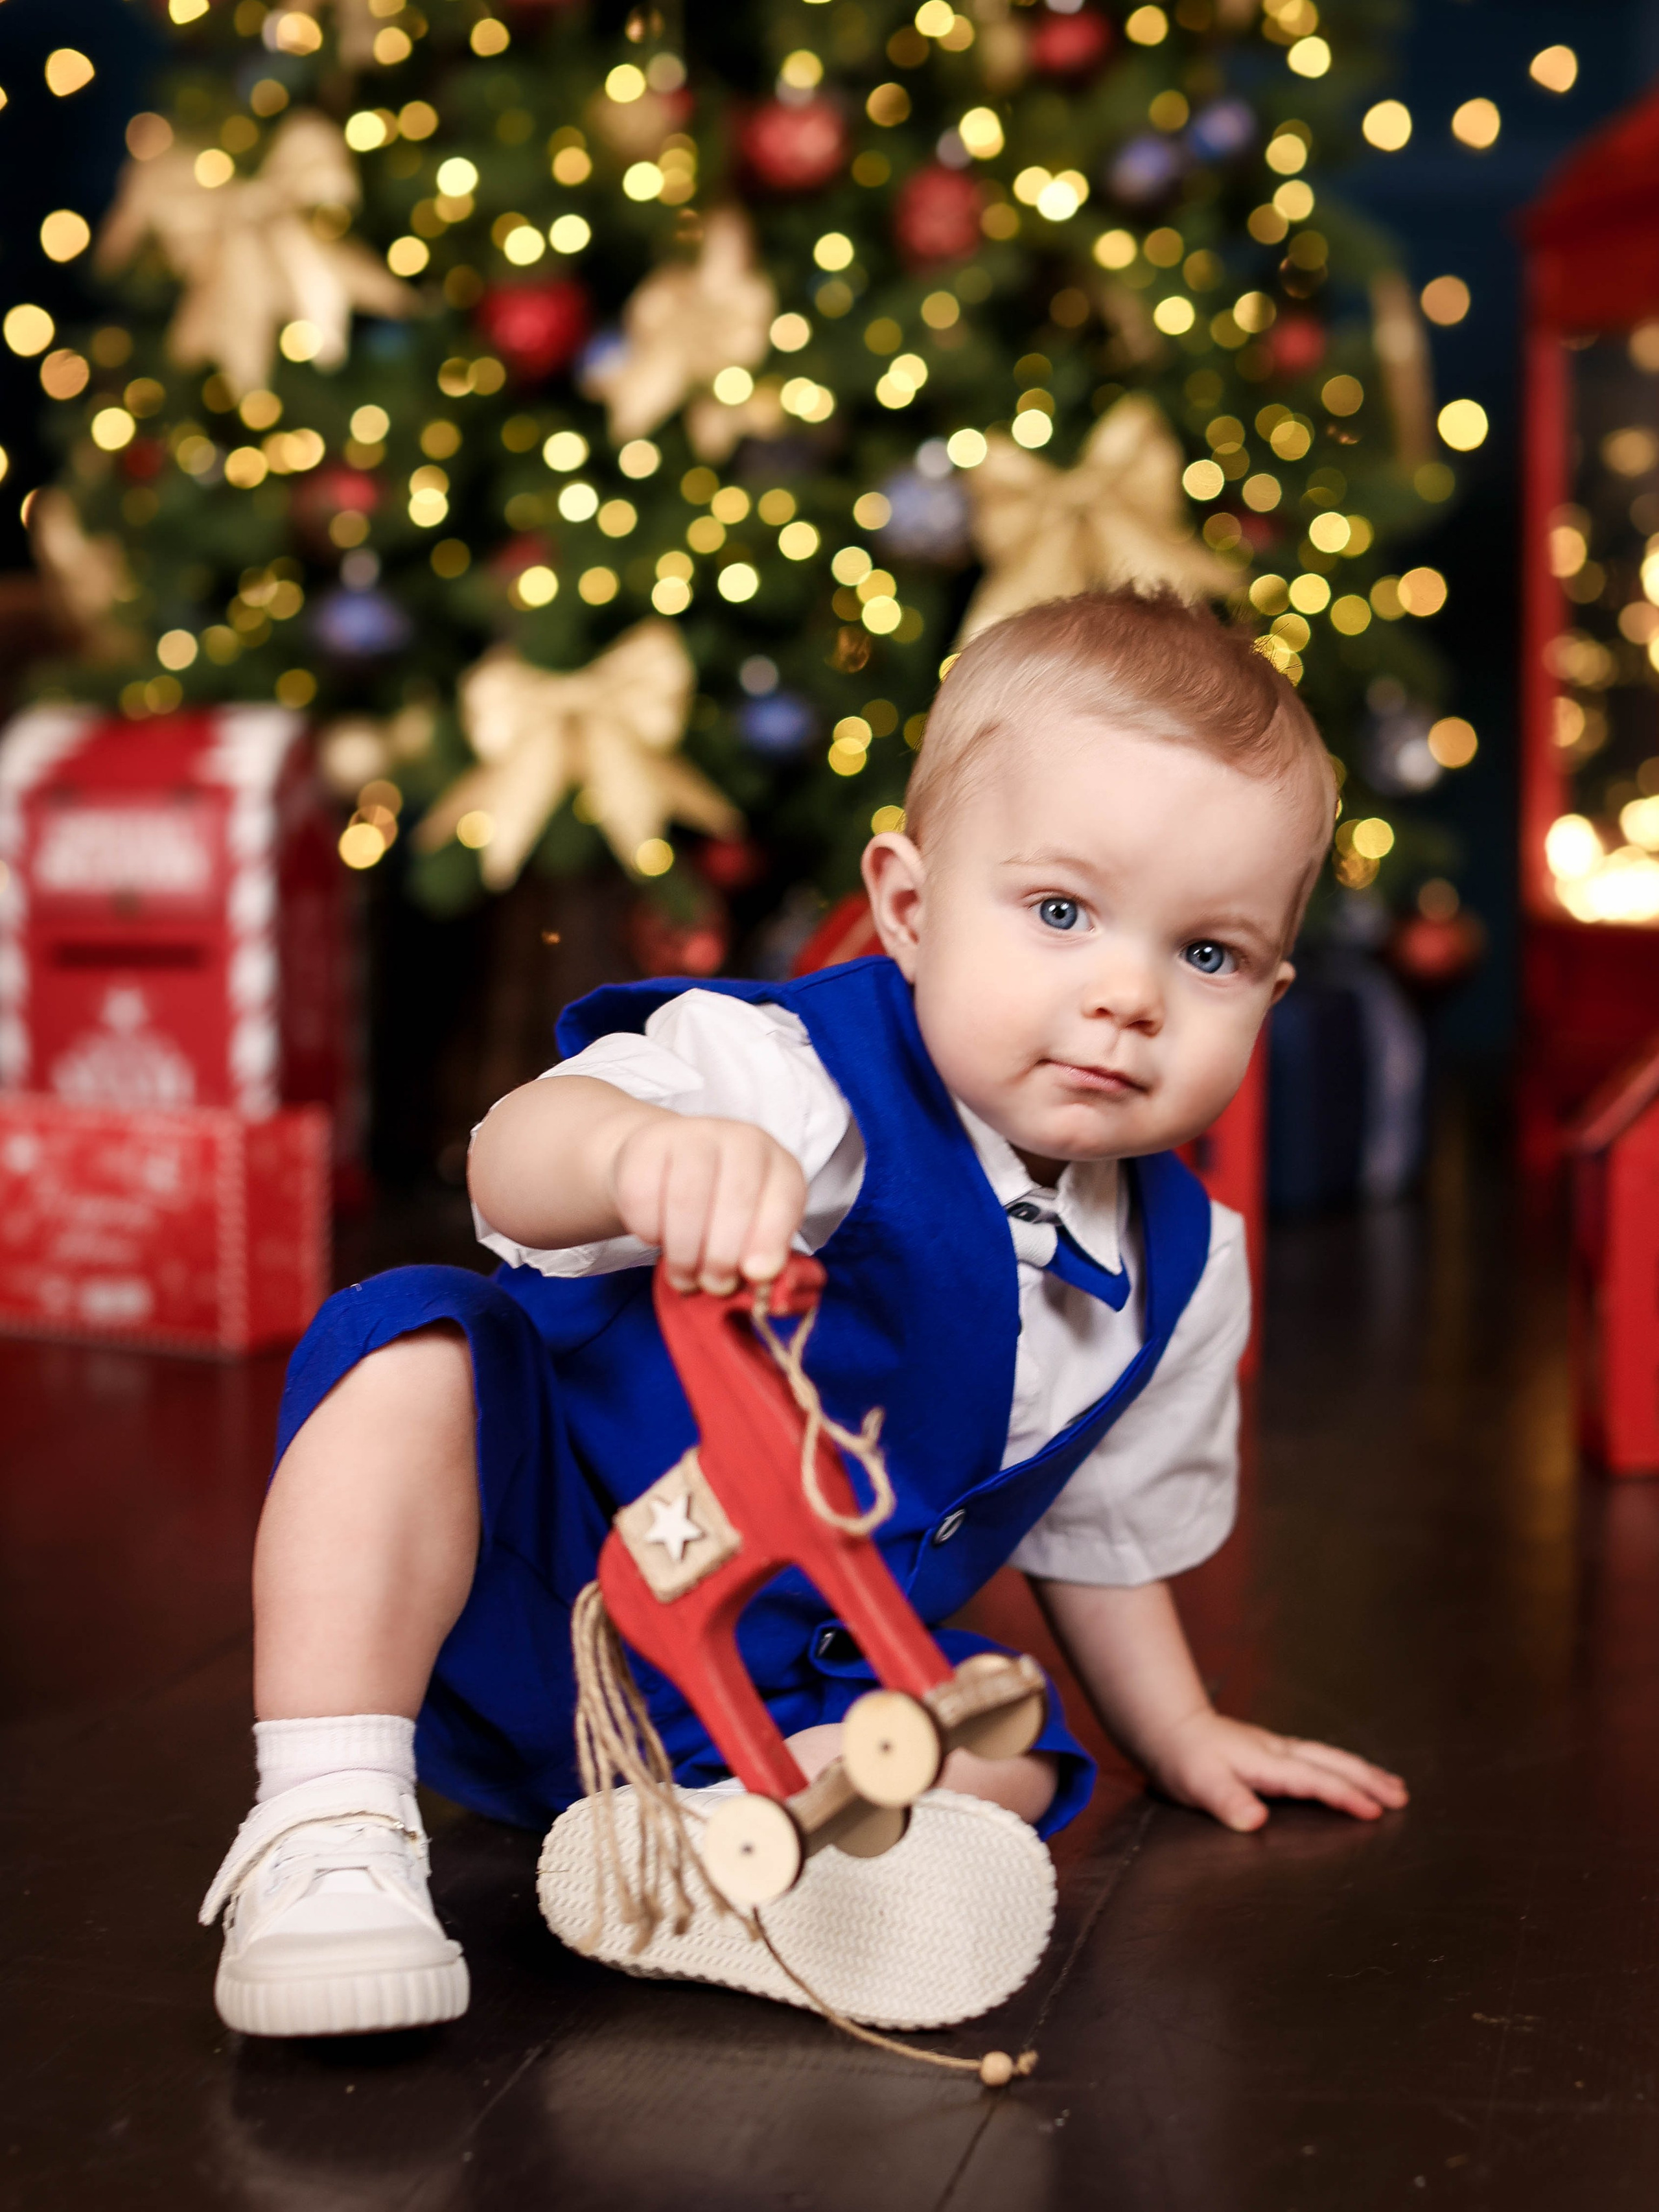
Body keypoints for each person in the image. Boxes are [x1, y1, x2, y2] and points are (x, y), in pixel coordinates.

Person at [202, 588, 1408, 2040]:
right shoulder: (791, 1074)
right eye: (1059, 911)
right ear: (906, 907)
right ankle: (329, 1829)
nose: (1125, 995)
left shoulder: (1182, 1260)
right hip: (533, 1588)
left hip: (779, 1686)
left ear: (1270, 992)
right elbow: (507, 1169)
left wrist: (1184, 1734)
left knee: (1010, 1744)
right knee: (408, 1352)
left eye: (1204, 955)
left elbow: (1103, 1536)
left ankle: (727, 1857)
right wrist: (631, 1153)